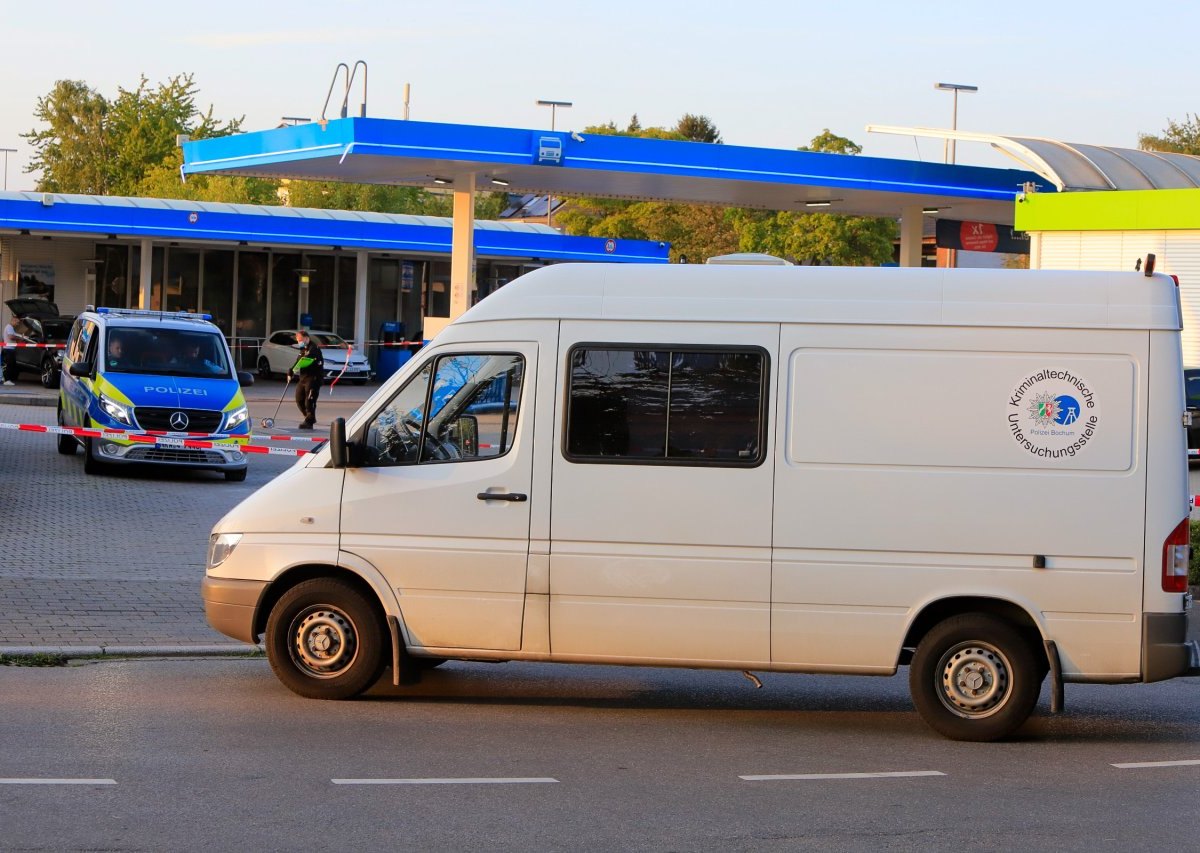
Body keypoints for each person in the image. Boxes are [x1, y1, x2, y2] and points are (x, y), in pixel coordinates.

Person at [289, 330, 324, 429]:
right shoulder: (303, 349)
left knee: (309, 401)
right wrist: (291, 370)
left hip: (313, 378)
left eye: (300, 340)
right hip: (303, 378)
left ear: (306, 338)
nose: (299, 342)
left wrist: (305, 359)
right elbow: (298, 361)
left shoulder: (314, 349)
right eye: (298, 340)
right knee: (299, 399)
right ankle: (309, 417)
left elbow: (308, 360)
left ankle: (309, 421)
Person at [2, 312, 25, 385]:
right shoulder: (9, 327)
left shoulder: (11, 328)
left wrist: (19, 338)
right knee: (9, 365)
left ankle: (7, 379)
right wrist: (19, 337)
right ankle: (7, 380)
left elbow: (12, 337)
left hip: (10, 349)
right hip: (8, 349)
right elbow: (11, 337)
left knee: (11, 365)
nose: (17, 324)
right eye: (17, 322)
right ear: (13, 320)